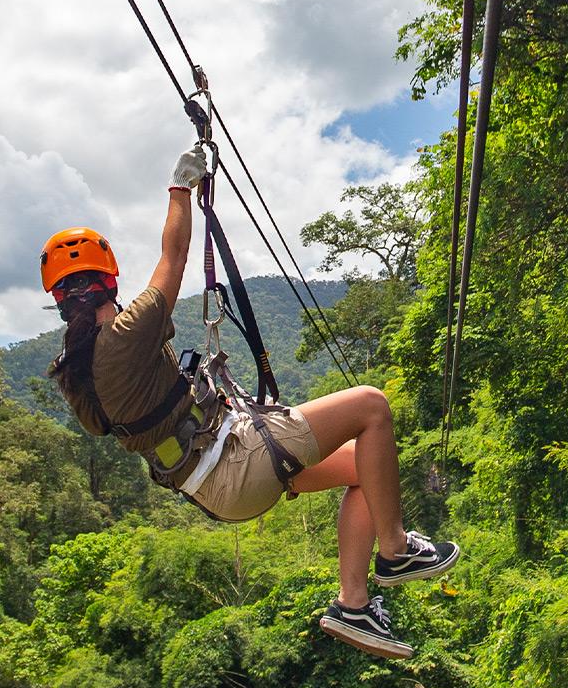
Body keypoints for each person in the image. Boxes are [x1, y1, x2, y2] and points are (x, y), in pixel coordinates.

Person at [41, 146, 460, 660]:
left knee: (362, 473)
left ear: (58, 299)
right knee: (371, 406)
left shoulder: (76, 372)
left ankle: (354, 604)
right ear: (109, 280)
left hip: (212, 481)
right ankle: (395, 551)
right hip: (234, 462)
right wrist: (180, 188)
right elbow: (172, 260)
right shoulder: (125, 336)